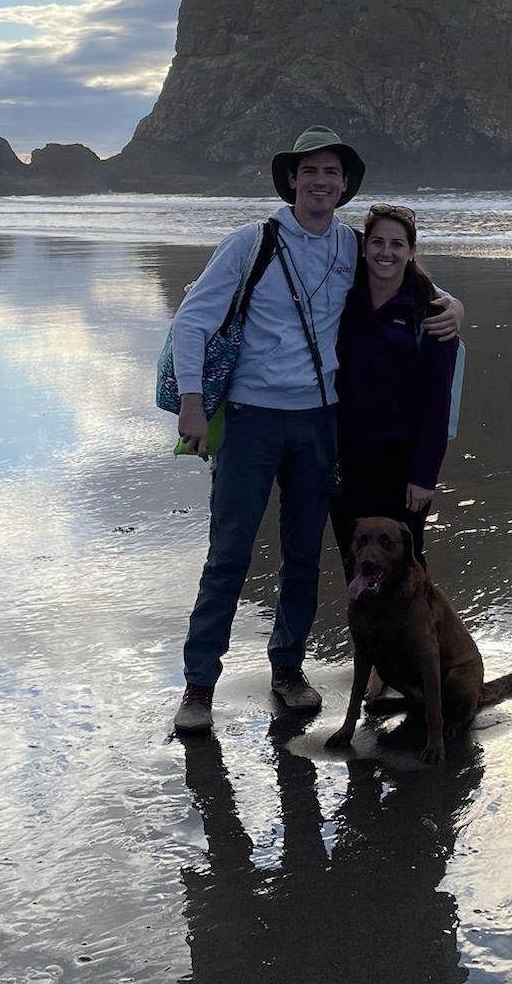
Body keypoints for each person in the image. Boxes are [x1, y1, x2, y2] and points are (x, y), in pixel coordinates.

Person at [170, 127, 463, 734]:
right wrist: (192, 404)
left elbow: (406, 271)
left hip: (317, 422)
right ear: (292, 180)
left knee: (304, 557)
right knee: (229, 556)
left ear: (345, 185)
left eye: (332, 173)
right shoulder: (251, 243)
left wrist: (456, 307)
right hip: (250, 420)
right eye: (311, 172)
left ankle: (288, 672)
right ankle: (199, 686)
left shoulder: (350, 247)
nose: (321, 182)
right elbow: (192, 320)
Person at [329, 203, 457, 574]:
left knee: (407, 569)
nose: (386, 252)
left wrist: (424, 475)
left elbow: (438, 402)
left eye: (397, 244)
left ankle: (417, 635)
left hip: (402, 466)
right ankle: (365, 634)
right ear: (365, 248)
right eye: (378, 242)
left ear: (411, 251)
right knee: (356, 562)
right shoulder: (342, 302)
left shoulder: (431, 314)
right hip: (346, 460)